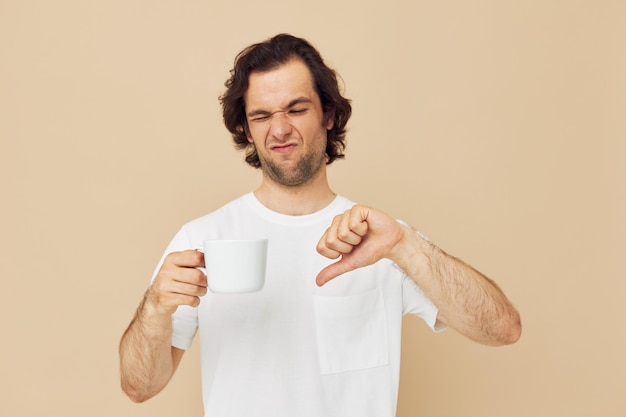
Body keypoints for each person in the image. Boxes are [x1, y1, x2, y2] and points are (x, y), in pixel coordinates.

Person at [119, 33, 521, 416]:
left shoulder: (381, 238)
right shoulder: (202, 239)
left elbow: (503, 328)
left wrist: (405, 245)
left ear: (328, 115)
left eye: (296, 109)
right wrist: (155, 307)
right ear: (245, 128)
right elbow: (139, 387)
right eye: (261, 115)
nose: (279, 129)